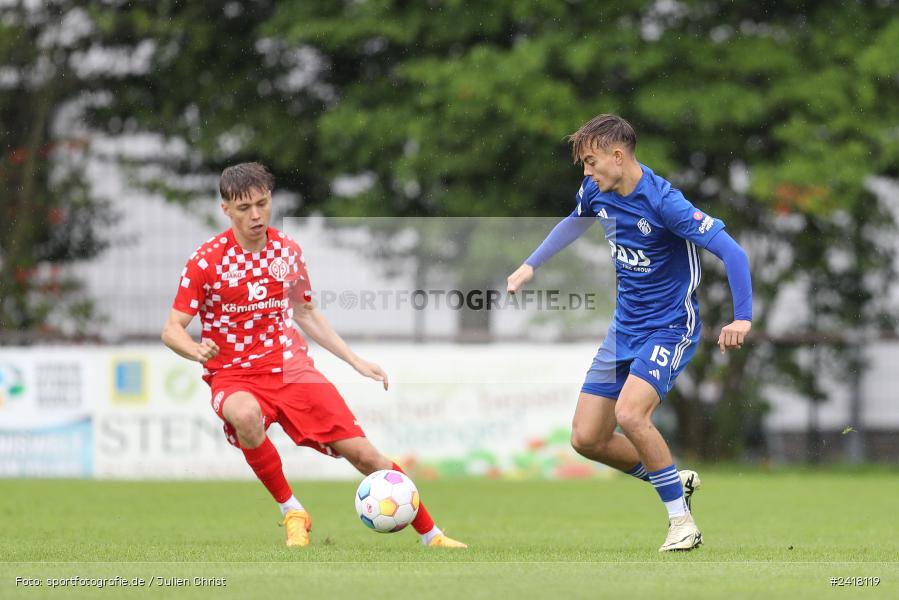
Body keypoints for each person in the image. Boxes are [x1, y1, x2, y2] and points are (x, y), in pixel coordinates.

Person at [162, 162, 466, 549]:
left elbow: (305, 312)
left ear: (270, 198)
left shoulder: (287, 251)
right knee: (244, 415)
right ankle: (293, 511)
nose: (255, 215)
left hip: (292, 368)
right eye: (244, 208)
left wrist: (355, 360)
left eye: (261, 203)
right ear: (226, 209)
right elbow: (172, 329)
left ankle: (432, 536)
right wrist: (195, 350)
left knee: (365, 456)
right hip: (234, 374)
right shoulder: (206, 261)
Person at [507, 115, 752, 552]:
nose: (586, 171)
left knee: (631, 414)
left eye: (590, 161)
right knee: (586, 438)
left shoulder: (665, 202)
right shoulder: (596, 192)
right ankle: (672, 478)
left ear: (617, 157)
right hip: (625, 328)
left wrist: (743, 317)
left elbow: (731, 251)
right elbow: (573, 220)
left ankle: (682, 523)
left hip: (670, 326)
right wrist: (531, 264)